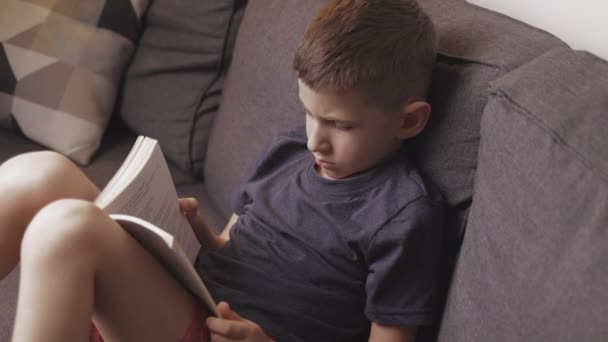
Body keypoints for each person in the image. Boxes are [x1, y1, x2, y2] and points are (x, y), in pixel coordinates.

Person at [0, 0, 444, 341]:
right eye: (310, 113)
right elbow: (234, 244)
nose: (315, 140)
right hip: (184, 299)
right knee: (39, 174)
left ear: (409, 121)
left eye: (341, 125)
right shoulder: (288, 150)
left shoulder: (403, 215)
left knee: (66, 229)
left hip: (218, 330)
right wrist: (200, 238)